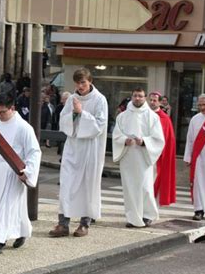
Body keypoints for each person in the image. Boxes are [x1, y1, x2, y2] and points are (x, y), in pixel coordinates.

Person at [49, 68, 108, 238]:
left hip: (90, 148)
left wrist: (82, 113)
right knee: (66, 184)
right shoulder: (72, 99)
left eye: (83, 82)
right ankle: (63, 224)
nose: (80, 86)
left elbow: (99, 125)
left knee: (87, 185)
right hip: (73, 147)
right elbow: (63, 120)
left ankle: (84, 224)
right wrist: (74, 115)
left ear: (90, 81)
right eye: (77, 83)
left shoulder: (100, 100)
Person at [0, 93, 42, 256]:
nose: (0, 115)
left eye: (3, 112)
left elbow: (34, 151)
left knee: (5, 206)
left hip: (13, 172)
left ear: (12, 108)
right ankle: (23, 230)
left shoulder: (23, 127)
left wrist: (27, 172)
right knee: (4, 206)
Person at [112, 88, 165, 228]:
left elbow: (159, 139)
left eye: (140, 96)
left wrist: (145, 142)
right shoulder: (122, 116)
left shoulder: (152, 117)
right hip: (128, 155)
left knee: (145, 187)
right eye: (135, 96)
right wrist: (124, 140)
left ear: (145, 98)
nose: (137, 98)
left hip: (143, 156)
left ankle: (147, 215)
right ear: (131, 97)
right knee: (129, 188)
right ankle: (132, 217)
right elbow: (116, 135)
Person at [148, 91, 176, 206]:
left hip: (156, 156)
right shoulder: (143, 114)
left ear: (160, 103)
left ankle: (151, 209)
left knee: (152, 182)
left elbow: (165, 139)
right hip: (142, 154)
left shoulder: (164, 118)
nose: (152, 102)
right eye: (150, 100)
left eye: (155, 100)